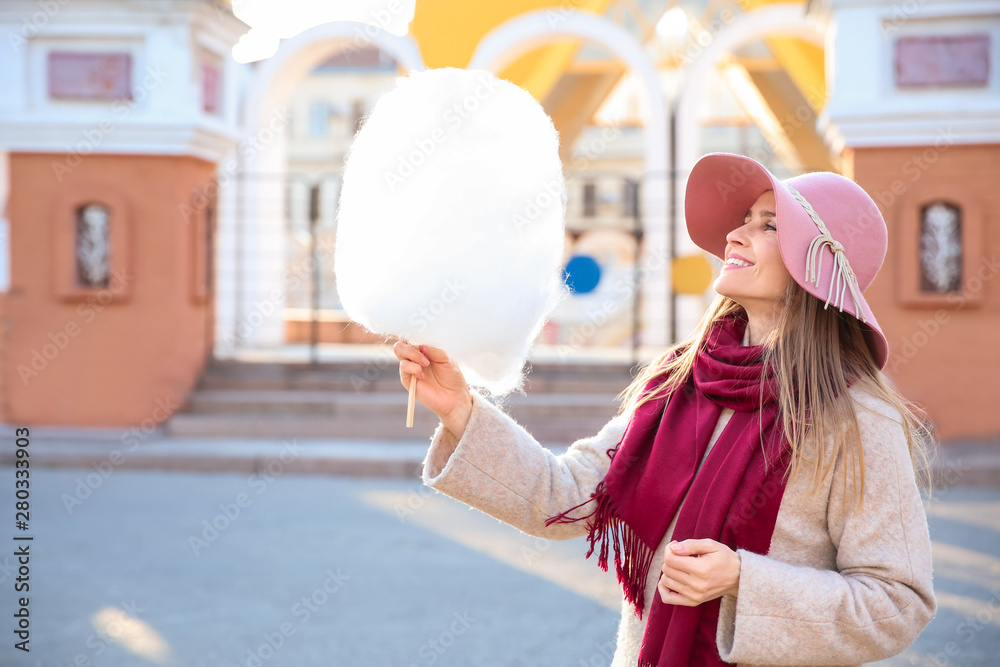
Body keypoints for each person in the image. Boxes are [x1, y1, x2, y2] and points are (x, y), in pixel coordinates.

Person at [392, 152, 938, 666]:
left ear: (815, 268)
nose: (735, 234)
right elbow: (565, 497)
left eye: (768, 225)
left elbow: (896, 602)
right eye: (744, 218)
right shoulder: (680, 379)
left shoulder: (858, 417)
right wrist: (460, 410)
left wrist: (743, 579)